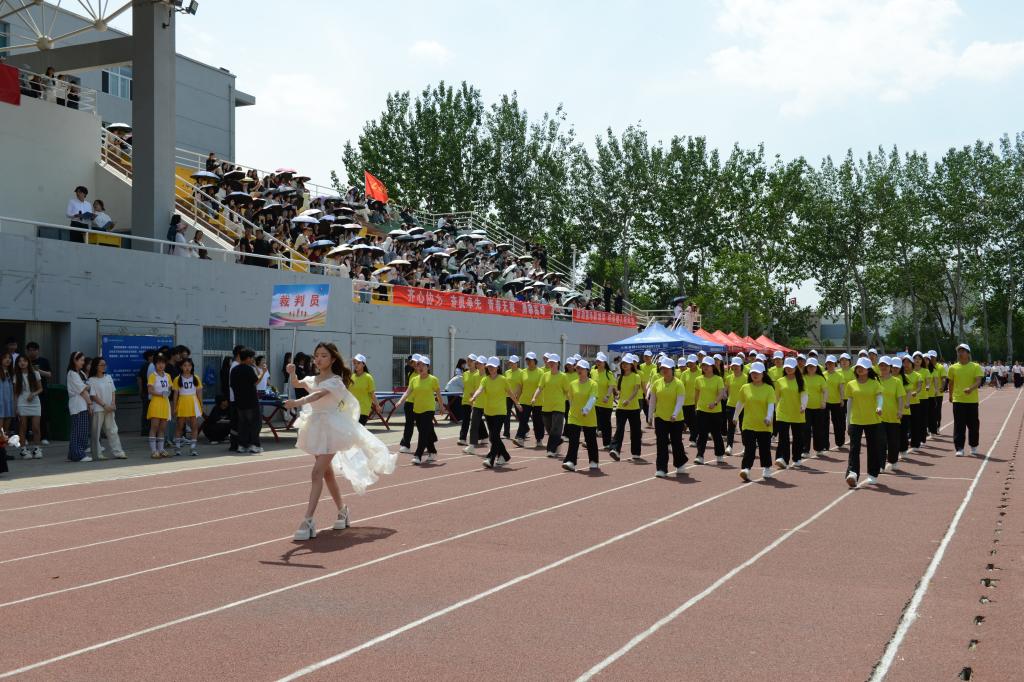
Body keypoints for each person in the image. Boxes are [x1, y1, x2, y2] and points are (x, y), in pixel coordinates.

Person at [284, 342, 396, 541]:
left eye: (324, 355)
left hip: (333, 429)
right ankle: (343, 511)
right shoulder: (313, 378)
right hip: (315, 428)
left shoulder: (335, 381)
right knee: (326, 474)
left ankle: (308, 520)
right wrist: (292, 373)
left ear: (333, 359)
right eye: (316, 355)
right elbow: (297, 384)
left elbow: (318, 395)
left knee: (316, 472)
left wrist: (297, 402)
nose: (319, 359)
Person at [472, 356, 521, 468]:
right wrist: (474, 396)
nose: (491, 368)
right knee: (493, 437)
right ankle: (505, 455)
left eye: (493, 367)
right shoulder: (485, 379)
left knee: (494, 435)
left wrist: (517, 403)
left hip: (500, 412)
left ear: (498, 367)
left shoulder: (503, 379)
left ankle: (490, 459)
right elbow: (480, 389)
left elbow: (510, 393)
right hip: (488, 412)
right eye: (489, 366)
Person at [395, 355, 442, 465]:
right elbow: (407, 392)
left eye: (423, 365)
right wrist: (400, 401)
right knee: (424, 432)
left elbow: (438, 394)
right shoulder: (414, 380)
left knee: (423, 432)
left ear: (428, 367)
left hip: (429, 409)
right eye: (418, 365)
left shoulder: (433, 380)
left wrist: (441, 406)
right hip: (417, 409)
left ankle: (418, 455)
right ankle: (432, 451)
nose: (420, 367)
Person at [734, 361, 777, 481]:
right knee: (749, 448)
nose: (755, 375)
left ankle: (767, 468)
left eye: (757, 373)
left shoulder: (769, 389)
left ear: (763, 374)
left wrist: (769, 417)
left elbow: (771, 405)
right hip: (748, 424)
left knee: (764, 449)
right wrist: (735, 417)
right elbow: (740, 403)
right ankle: (746, 469)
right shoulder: (745, 388)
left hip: (764, 425)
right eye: (753, 373)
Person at [845, 357, 883, 487]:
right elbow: (849, 404)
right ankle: (853, 473)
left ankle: (872, 474)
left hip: (872, 420)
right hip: (856, 420)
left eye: (862, 367)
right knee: (854, 448)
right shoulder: (851, 384)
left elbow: (879, 397)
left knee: (873, 447)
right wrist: (848, 422)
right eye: (858, 367)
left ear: (868, 369)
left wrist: (879, 407)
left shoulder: (875, 384)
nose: (860, 369)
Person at [649, 357, 686, 478]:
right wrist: (650, 416)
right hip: (660, 417)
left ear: (672, 369)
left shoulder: (678, 384)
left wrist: (674, 414)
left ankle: (680, 463)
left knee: (676, 442)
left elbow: (680, 401)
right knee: (661, 443)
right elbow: (653, 400)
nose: (664, 370)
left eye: (666, 368)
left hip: (676, 419)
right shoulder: (657, 383)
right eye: (662, 368)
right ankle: (661, 468)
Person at [562, 359, 600, 472]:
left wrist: (586, 409)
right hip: (574, 416)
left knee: (590, 440)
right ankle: (571, 462)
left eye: (582, 368)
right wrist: (572, 410)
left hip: (589, 416)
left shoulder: (593, 384)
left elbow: (593, 398)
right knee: (573, 440)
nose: (579, 370)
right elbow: (570, 399)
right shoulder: (573, 384)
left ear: (587, 370)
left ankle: (593, 461)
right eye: (577, 368)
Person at [948, 343, 984, 457]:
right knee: (959, 425)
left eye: (963, 351)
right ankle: (959, 448)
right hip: (958, 400)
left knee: (973, 425)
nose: (960, 353)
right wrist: (950, 395)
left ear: (968, 353)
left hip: (972, 401)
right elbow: (951, 383)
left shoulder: (975, 366)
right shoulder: (953, 367)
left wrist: (971, 388)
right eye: (959, 351)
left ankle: (973, 446)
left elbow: (978, 381)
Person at [87, 357, 125, 460]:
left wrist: (112, 403)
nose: (104, 367)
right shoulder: (91, 380)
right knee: (96, 432)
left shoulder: (108, 377)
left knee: (112, 430)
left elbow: (113, 391)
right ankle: (97, 454)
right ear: (96, 367)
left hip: (110, 408)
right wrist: (104, 405)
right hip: (98, 408)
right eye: (102, 365)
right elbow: (93, 395)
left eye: (105, 365)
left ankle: (118, 452)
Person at [534, 353, 570, 458]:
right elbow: (540, 388)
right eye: (550, 362)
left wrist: (572, 404)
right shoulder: (545, 375)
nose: (551, 364)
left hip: (559, 406)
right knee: (549, 428)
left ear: (558, 363)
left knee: (556, 428)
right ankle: (558, 441)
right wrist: (534, 397)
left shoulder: (563, 376)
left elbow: (567, 391)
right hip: (546, 406)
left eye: (553, 362)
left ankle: (551, 449)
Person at [774, 357, 807, 469]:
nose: (788, 369)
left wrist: (803, 405)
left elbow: (804, 395)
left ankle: (797, 458)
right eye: (786, 367)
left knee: (798, 437)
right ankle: (783, 458)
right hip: (782, 412)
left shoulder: (801, 380)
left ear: (795, 368)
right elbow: (776, 398)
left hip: (797, 413)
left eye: (791, 367)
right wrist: (774, 410)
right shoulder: (780, 381)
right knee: (783, 437)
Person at [693, 356, 727, 465]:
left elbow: (721, 393)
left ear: (712, 367)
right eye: (703, 365)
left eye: (707, 365)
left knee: (716, 434)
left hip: (715, 411)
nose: (705, 367)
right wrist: (695, 407)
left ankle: (719, 454)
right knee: (702, 434)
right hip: (701, 410)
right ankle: (700, 455)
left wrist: (715, 403)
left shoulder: (718, 379)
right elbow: (696, 394)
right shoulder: (698, 379)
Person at [609, 354, 643, 462]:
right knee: (619, 429)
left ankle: (636, 452)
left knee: (635, 431)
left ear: (631, 365)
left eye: (627, 363)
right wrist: (617, 394)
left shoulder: (636, 376)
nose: (624, 365)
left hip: (633, 408)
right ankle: (615, 450)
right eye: (623, 363)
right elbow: (619, 391)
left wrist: (628, 400)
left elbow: (635, 390)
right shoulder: (620, 377)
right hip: (621, 408)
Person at [878, 357, 906, 472]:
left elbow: (900, 398)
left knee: (893, 441)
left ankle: (893, 461)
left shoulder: (896, 381)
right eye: (881, 365)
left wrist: (900, 410)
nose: (883, 368)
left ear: (890, 367)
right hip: (878, 417)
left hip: (893, 416)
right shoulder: (875, 380)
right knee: (880, 442)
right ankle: (880, 465)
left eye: (886, 365)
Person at [231, 348, 262, 454]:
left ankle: (242, 445)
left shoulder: (234, 370)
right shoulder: (249, 369)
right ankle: (254, 445)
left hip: (239, 401)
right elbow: (256, 381)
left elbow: (232, 385)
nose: (253, 360)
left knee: (242, 424)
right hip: (251, 401)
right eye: (252, 358)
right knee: (254, 423)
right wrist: (263, 373)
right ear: (248, 358)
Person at [172, 358, 203, 457]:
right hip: (182, 403)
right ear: (181, 367)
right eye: (185, 365)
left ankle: (193, 448)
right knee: (180, 426)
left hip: (193, 403)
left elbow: (199, 393)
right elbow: (175, 395)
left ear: (192, 367)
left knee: (194, 425)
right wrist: (174, 407)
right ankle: (177, 447)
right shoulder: (177, 379)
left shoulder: (196, 378)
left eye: (189, 365)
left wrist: (201, 404)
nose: (187, 368)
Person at [513, 352, 545, 447]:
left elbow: (541, 387)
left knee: (538, 421)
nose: (528, 361)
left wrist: (535, 397)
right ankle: (520, 438)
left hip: (537, 401)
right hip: (525, 400)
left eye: (530, 360)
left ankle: (539, 439)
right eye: (527, 360)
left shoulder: (540, 372)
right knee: (523, 420)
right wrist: (516, 398)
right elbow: (520, 386)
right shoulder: (523, 372)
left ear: (535, 361)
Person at [462, 354, 491, 455]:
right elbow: (474, 389)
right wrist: (473, 399)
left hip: (487, 404)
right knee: (474, 425)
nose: (477, 365)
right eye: (477, 363)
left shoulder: (488, 376)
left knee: (491, 427)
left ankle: (492, 446)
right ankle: (472, 446)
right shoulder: (475, 376)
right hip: (477, 404)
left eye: (479, 363)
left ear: (485, 365)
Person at [66, 352, 92, 462]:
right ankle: (78, 454)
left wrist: (86, 387)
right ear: (74, 360)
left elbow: (87, 386)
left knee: (82, 430)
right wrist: (90, 403)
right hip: (77, 405)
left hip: (82, 405)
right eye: (81, 360)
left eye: (83, 360)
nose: (83, 362)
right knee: (79, 431)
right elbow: (82, 390)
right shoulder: (72, 374)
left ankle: (73, 454)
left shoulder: (80, 373)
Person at [147, 354, 173, 459]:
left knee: (162, 427)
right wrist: (161, 394)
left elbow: (169, 389)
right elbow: (150, 390)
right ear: (155, 364)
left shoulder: (168, 376)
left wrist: (167, 393)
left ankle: (161, 449)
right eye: (158, 363)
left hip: (165, 404)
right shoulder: (153, 375)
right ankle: (154, 451)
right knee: (154, 426)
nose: (161, 365)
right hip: (156, 403)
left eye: (163, 363)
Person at [802, 358, 829, 457]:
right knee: (806, 429)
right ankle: (805, 450)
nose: (811, 368)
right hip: (805, 408)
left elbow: (825, 391)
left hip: (818, 408)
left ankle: (819, 449)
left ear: (816, 367)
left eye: (813, 366)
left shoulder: (820, 378)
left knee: (818, 429)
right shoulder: (802, 377)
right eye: (809, 366)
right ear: (806, 367)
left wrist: (824, 401)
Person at [592, 352, 616, 449]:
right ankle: (589, 441)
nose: (598, 363)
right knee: (594, 422)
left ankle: (607, 443)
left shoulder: (608, 373)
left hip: (606, 403)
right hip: (595, 402)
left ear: (604, 363)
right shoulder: (593, 372)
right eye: (597, 361)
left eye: (600, 361)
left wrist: (607, 396)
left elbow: (611, 386)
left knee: (606, 423)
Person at [723, 356, 745, 456]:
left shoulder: (746, 378)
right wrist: (723, 394)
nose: (735, 367)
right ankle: (729, 446)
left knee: (743, 427)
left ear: (741, 366)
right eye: (733, 366)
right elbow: (725, 389)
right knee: (731, 426)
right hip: (731, 405)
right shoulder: (729, 377)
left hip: (743, 405)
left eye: (737, 366)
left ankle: (745, 447)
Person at [824, 355, 847, 450]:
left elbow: (841, 388)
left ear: (835, 364)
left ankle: (840, 442)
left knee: (838, 423)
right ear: (826, 364)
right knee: (824, 424)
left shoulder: (839, 375)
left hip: (837, 402)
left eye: (832, 363)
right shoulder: (823, 375)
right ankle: (825, 445)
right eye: (828, 363)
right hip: (825, 401)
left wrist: (842, 399)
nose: (830, 365)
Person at [350, 354, 379, 426]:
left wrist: (377, 406)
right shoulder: (352, 377)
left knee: (358, 430)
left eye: (358, 363)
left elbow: (372, 394)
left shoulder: (368, 377)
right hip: (352, 409)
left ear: (363, 364)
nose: (356, 365)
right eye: (355, 363)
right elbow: (348, 392)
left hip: (363, 410)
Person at [502, 355, 524, 439]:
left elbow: (522, 384)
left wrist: (518, 394)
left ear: (517, 363)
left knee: (520, 415)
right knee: (506, 415)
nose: (511, 364)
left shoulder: (521, 372)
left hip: (518, 396)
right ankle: (506, 433)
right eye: (510, 362)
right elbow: (505, 384)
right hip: (508, 396)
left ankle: (524, 429)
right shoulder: (507, 372)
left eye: (513, 363)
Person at [137, 349, 155, 436]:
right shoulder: (146, 365)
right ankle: (145, 430)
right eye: (153, 355)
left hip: (151, 393)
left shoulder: (154, 365)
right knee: (146, 411)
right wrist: (140, 390)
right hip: (146, 392)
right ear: (149, 357)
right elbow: (139, 378)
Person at [0, 353, 13, 450]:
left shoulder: (11, 372)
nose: (8, 360)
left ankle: (3, 452)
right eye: (5, 358)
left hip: (9, 403)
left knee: (6, 429)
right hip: (1, 403)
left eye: (9, 358)